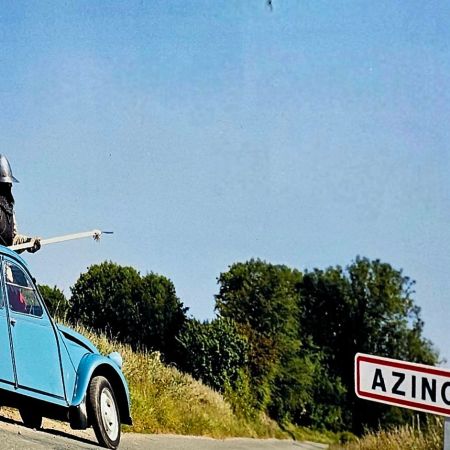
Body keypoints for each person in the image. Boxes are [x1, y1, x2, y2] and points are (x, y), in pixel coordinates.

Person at [0, 155, 40, 253]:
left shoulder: (8, 210)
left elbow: (11, 241)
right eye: (3, 185)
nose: (8, 187)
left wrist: (27, 242)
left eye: (8, 184)